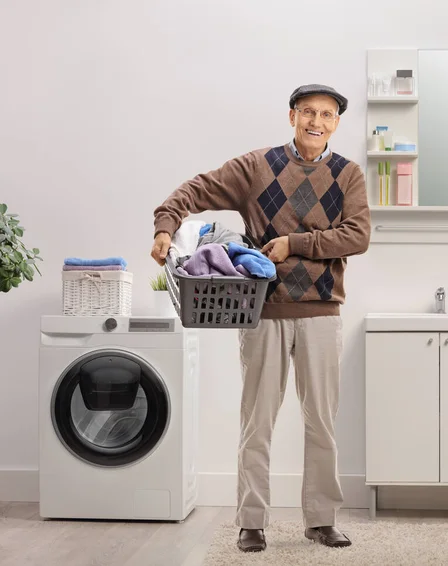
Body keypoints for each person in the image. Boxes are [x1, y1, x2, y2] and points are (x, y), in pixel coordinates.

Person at [151, 84, 370, 552]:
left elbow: (358, 235)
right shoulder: (256, 167)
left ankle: (321, 519)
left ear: (336, 123)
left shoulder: (347, 175)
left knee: (322, 422)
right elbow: (195, 189)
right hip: (263, 310)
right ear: (291, 116)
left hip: (322, 311)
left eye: (327, 115)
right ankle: (252, 521)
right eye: (307, 112)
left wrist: (295, 244)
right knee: (257, 421)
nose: (316, 121)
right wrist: (166, 225)